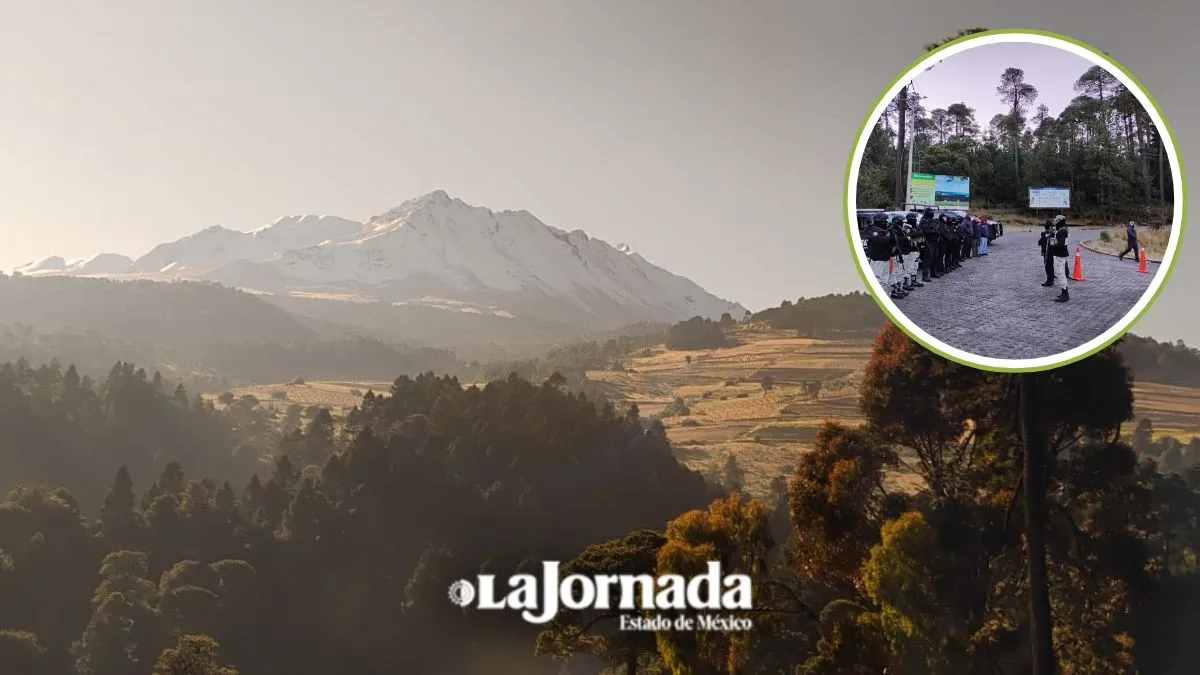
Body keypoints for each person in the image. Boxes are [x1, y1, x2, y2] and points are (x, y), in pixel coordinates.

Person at [865, 214, 902, 299]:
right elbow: (879, 240)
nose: (886, 223)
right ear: (879, 221)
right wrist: (888, 235)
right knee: (877, 279)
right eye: (884, 221)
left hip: (886, 258)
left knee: (885, 281)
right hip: (877, 260)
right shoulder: (872, 230)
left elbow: (894, 241)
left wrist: (891, 236)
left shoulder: (885, 230)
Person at [1050, 216, 1071, 302]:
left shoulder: (1063, 230)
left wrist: (1053, 246)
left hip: (1060, 255)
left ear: (1060, 221)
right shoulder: (1062, 230)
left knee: (1060, 273)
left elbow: (1061, 244)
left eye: (1056, 220)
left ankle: (1065, 293)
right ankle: (1064, 292)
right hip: (1059, 254)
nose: (1055, 222)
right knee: (1058, 273)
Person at [920, 208, 943, 278]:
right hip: (928, 242)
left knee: (934, 258)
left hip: (935, 241)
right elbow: (926, 231)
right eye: (931, 212)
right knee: (927, 259)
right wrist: (935, 232)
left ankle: (933, 273)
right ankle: (925, 275)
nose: (932, 213)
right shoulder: (923, 220)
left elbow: (937, 228)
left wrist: (935, 231)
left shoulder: (932, 220)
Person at [1037, 220, 1055, 286]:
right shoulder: (1052, 231)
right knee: (1050, 266)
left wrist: (1043, 251)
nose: (1044, 226)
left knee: (1048, 266)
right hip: (1050, 252)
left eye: (1045, 225)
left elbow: (1044, 243)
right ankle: (1051, 279)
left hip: (1048, 252)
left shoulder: (1049, 233)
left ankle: (1050, 280)